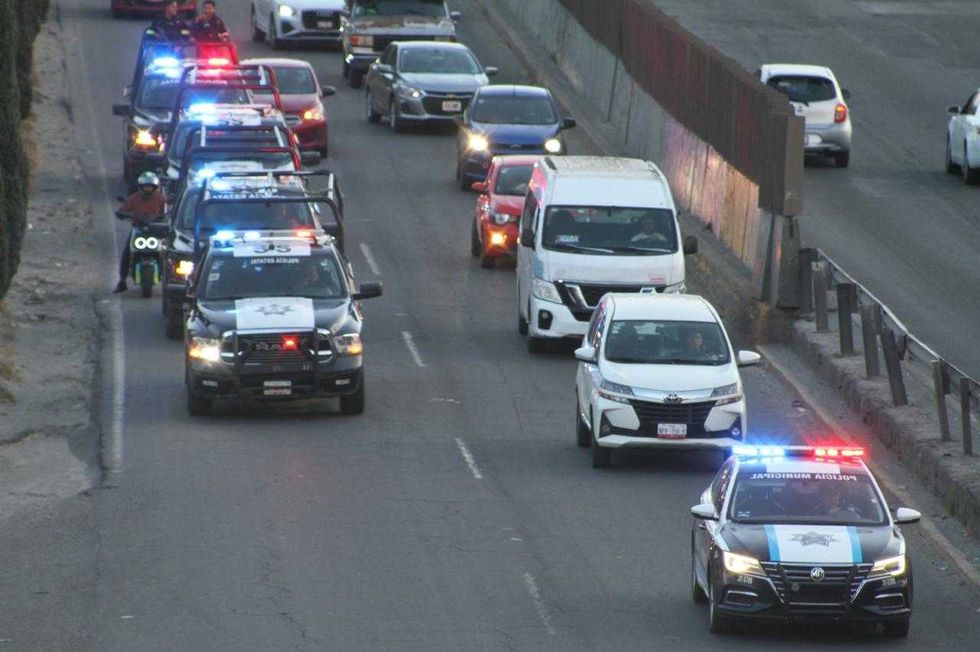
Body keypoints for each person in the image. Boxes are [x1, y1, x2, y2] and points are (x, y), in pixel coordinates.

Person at [114, 172, 166, 293]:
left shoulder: (160, 199)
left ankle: (170, 280)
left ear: (155, 187)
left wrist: (162, 218)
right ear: (140, 187)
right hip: (138, 230)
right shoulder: (134, 198)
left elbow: (167, 213)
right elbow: (122, 210)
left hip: (156, 230)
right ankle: (122, 281)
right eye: (145, 186)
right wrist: (123, 213)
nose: (147, 188)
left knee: (166, 253)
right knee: (126, 254)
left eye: (150, 186)